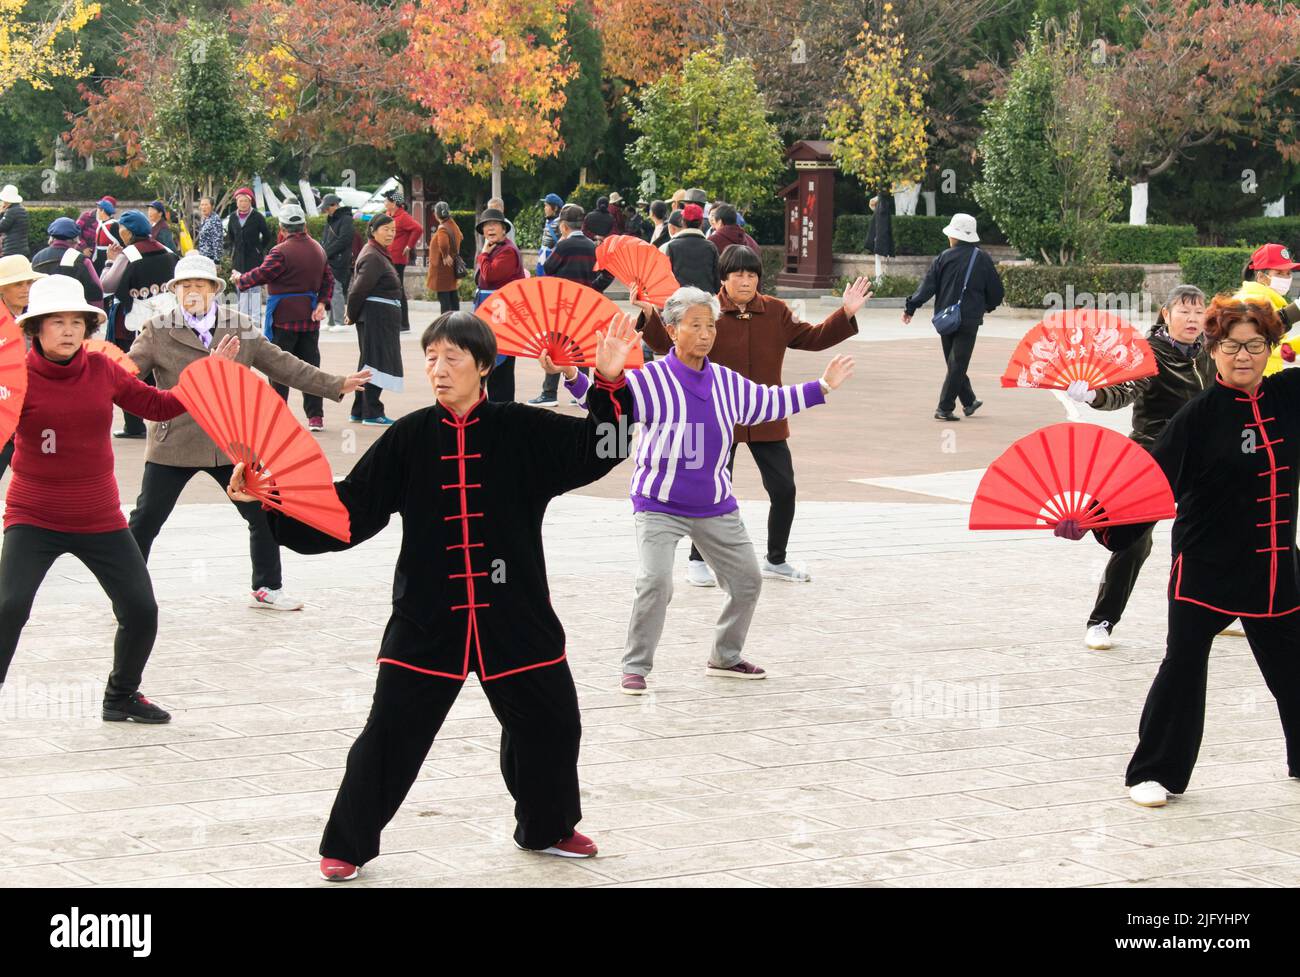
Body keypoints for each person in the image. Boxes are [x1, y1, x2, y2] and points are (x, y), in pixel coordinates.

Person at [225, 310, 636, 882]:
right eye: (431, 357)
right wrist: (264, 501)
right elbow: (349, 514)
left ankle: (548, 827)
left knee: (552, 724)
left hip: (516, 615)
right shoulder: (409, 436)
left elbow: (605, 447)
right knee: (390, 734)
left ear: (485, 366)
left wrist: (610, 383)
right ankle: (347, 843)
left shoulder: (523, 429)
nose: (437, 370)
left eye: (452, 358)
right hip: (427, 617)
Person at [1060, 296, 1300, 808]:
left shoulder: (1290, 396)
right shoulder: (1196, 418)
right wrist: (1095, 521)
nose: (1244, 356)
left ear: (1270, 349)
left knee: (1294, 668)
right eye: (1232, 345)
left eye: (1255, 345)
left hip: (1275, 567)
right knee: (1183, 670)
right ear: (1213, 350)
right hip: (1205, 569)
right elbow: (1147, 484)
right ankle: (1154, 772)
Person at [557, 287, 855, 694]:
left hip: (715, 505)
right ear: (673, 330)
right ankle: (636, 666)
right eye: (695, 325)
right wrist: (591, 377)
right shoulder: (652, 379)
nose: (705, 333)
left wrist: (821, 387)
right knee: (656, 582)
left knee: (749, 581)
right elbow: (606, 411)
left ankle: (725, 656)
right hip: (658, 504)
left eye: (710, 325)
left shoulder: (727, 382)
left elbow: (769, 402)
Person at [0, 275, 237, 721]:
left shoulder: (103, 369)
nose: (69, 330)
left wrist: (208, 376)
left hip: (100, 519)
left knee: (141, 610)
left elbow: (159, 406)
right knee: (9, 607)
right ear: (35, 329)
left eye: (77, 322)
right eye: (57, 322)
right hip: (33, 516)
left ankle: (121, 696)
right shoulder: (16, 379)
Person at [126, 252, 367, 612]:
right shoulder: (157, 329)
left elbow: (283, 364)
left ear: (214, 289)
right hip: (175, 438)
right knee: (146, 517)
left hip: (232, 442)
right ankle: (126, 588)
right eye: (185, 286)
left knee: (263, 512)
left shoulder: (240, 325)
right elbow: (128, 376)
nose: (193, 292)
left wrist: (335, 384)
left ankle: (267, 587)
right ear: (175, 291)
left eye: (200, 285)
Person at [636, 246, 870, 585]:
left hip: (766, 413)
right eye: (738, 275)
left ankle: (776, 559)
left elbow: (812, 337)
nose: (746, 281)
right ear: (724, 278)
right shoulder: (707, 312)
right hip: (715, 414)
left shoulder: (775, 311)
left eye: (752, 275)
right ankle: (697, 560)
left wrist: (844, 313)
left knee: (784, 488)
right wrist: (647, 314)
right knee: (708, 487)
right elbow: (667, 344)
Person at [1065, 285, 1213, 651]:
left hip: (1205, 459)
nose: (1193, 319)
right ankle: (1102, 620)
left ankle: (1218, 613)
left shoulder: (1213, 348)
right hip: (1153, 457)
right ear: (1166, 315)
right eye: (1184, 312)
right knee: (1134, 544)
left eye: (1199, 312)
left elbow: (1258, 334)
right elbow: (1123, 390)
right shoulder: (1147, 353)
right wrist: (1093, 395)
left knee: (1213, 536)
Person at [229, 204, 333, 432]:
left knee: (278, 367)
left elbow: (263, 274)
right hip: (309, 315)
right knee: (311, 366)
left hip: (283, 317)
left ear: (282, 228)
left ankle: (278, 415)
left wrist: (240, 279)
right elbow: (329, 279)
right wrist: (323, 302)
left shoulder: (280, 251)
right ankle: (315, 417)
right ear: (304, 225)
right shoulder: (318, 249)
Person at [902, 213, 1005, 421]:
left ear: (954, 236)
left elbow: (927, 287)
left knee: (955, 362)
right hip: (969, 319)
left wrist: (911, 307)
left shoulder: (943, 257)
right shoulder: (982, 258)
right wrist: (987, 307)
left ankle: (968, 402)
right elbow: (996, 291)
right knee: (957, 363)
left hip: (944, 318)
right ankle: (945, 407)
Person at [527, 204, 613, 407]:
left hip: (562, 306)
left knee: (555, 346)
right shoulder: (593, 247)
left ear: (564, 226)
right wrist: (594, 288)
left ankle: (549, 393)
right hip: (586, 305)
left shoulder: (564, 246)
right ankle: (580, 391)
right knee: (581, 346)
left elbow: (548, 267)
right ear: (581, 225)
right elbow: (608, 272)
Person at [110, 210, 177, 439]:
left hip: (131, 323)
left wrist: (110, 261)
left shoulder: (128, 254)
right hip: (166, 320)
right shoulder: (167, 251)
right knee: (163, 368)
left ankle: (134, 426)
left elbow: (107, 285)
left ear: (128, 232)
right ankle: (172, 420)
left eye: (121, 229)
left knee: (130, 369)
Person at [346, 215, 403, 426]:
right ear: (373, 230)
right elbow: (358, 290)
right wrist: (352, 314)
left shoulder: (377, 253)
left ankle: (360, 410)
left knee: (369, 361)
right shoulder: (372, 255)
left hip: (379, 317)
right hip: (375, 317)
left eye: (393, 230)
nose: (391, 234)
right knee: (376, 362)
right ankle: (371, 411)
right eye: (386, 229)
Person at [473, 206, 525, 403]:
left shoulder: (507, 251)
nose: (490, 229)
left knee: (501, 364)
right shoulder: (494, 249)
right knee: (490, 361)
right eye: (486, 226)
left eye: (494, 225)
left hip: (502, 317)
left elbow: (489, 275)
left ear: (504, 229)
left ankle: (502, 407)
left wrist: (483, 255)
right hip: (491, 316)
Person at [0, 255, 43, 480]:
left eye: (29, 283)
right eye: (18, 284)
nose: (26, 289)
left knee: (38, 478)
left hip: (21, 415)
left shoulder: (29, 317)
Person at [1235, 243, 1300, 375]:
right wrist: (1297, 309)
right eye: (1279, 273)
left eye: (1288, 273)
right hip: (1253, 380)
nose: (1286, 278)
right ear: (1261, 277)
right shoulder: (1251, 299)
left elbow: (1276, 344)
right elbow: (1263, 332)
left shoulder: (1272, 300)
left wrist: (1290, 346)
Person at [31, 217, 104, 309]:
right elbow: (97, 291)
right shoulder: (81, 260)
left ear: (51, 238)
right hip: (73, 312)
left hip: (43, 311)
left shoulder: (37, 258)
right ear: (76, 240)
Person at [227, 187, 274, 323]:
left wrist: (259, 249)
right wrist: (233, 250)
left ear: (250, 201)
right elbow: (230, 236)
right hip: (238, 258)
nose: (242, 203)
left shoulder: (257, 216)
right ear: (237, 202)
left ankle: (255, 319)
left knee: (254, 288)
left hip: (254, 258)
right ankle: (243, 319)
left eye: (245, 201)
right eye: (240, 201)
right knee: (240, 287)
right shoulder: (232, 217)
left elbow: (266, 235)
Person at [382, 189, 421, 332]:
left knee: (398, 289)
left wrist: (409, 245)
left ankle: (404, 323)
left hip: (397, 258)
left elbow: (418, 229)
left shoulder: (403, 216)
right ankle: (393, 321)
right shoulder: (387, 215)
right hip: (387, 256)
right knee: (390, 288)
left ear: (394, 203)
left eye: (387, 200)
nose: (385, 203)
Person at [661, 203, 719, 296]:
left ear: (683, 222)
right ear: (701, 223)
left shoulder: (672, 246)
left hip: (679, 302)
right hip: (705, 302)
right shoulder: (711, 247)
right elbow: (716, 281)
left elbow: (666, 279)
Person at [320, 193, 355, 333]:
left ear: (334, 205)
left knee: (337, 289)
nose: (326, 211)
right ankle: (331, 320)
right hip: (329, 259)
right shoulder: (330, 219)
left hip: (340, 260)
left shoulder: (346, 219)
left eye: (328, 207)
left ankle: (340, 321)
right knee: (328, 290)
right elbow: (325, 239)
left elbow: (344, 240)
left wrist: (326, 252)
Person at [425, 201, 463, 315]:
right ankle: (457, 320)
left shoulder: (442, 227)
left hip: (442, 268)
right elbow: (461, 236)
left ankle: (446, 322)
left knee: (444, 298)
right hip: (451, 267)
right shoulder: (453, 224)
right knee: (452, 295)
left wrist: (446, 255)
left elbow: (443, 243)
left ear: (436, 214)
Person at [86, 198, 119, 274]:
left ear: (102, 211)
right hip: (98, 259)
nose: (96, 212)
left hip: (109, 258)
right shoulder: (101, 224)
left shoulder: (114, 225)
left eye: (98, 210)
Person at [536, 192, 564, 275]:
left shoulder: (560, 224)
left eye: (546, 205)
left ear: (555, 208)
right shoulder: (549, 221)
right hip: (542, 264)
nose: (544, 208)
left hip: (551, 267)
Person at [0, 185, 29, 259]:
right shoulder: (22, 210)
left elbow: (2, 227)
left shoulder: (11, 211)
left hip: (11, 249)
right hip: (22, 248)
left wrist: (1, 213)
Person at [196, 196, 224, 264]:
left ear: (212, 206)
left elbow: (217, 240)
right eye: (202, 205)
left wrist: (217, 260)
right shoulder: (205, 219)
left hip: (211, 257)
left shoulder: (215, 219)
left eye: (206, 205)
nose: (203, 207)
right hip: (203, 256)